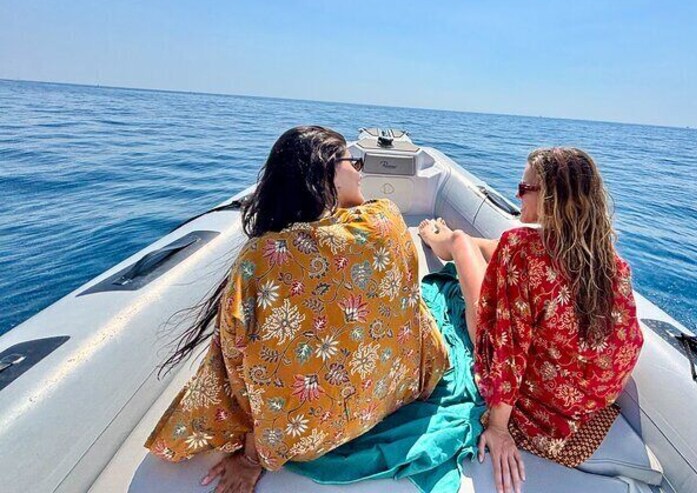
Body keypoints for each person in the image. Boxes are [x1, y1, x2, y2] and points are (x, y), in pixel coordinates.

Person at [146, 125, 449, 493]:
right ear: (325, 173)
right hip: (402, 388)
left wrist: (251, 457)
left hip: (306, 438)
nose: (360, 170)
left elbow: (240, 363)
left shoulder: (261, 258)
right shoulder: (384, 221)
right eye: (353, 162)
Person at [420, 147, 643, 493]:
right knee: (498, 247)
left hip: (529, 394)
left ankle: (435, 236)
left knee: (463, 244)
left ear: (551, 197)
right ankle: (446, 237)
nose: (517, 195)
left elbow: (509, 348)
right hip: (575, 402)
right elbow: (630, 345)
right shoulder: (613, 264)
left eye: (524, 188)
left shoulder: (521, 249)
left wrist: (498, 428)